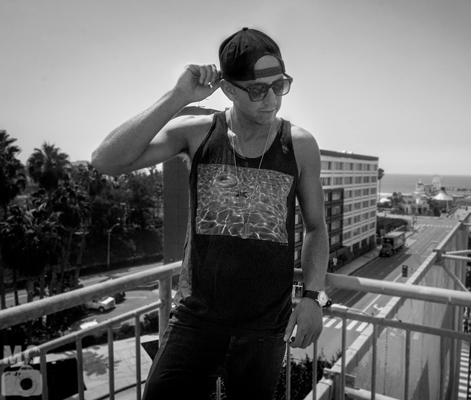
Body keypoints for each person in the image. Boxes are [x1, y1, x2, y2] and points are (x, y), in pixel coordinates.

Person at [92, 27, 330, 399]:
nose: (271, 100)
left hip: (265, 329)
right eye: (257, 90)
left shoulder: (299, 145)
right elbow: (105, 161)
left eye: (279, 86)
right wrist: (178, 96)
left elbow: (316, 227)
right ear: (229, 90)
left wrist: (313, 296)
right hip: (195, 322)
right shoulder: (198, 133)